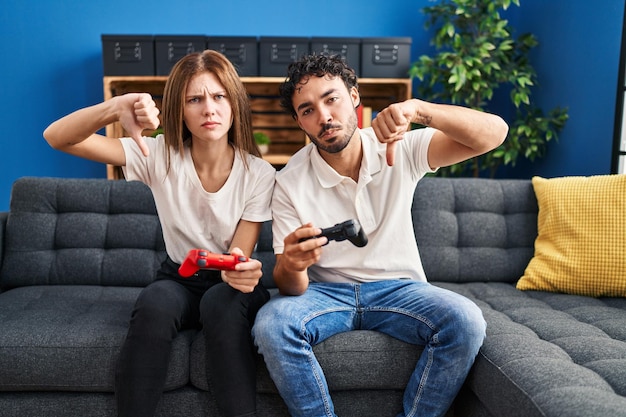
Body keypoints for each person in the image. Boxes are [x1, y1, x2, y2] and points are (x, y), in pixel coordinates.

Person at [251, 54, 508, 417]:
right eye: (307, 110)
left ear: (354, 96)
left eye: (331, 98)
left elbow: (495, 134)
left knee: (466, 320)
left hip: (400, 288)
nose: (324, 116)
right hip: (324, 293)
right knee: (272, 323)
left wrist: (417, 109)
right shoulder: (288, 181)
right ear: (299, 122)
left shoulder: (399, 147)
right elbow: (290, 287)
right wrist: (292, 265)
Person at [44, 50, 276, 417]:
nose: (209, 109)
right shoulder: (158, 155)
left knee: (220, 303)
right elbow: (56, 137)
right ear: (180, 111)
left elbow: (238, 254)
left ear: (234, 103)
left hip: (231, 283)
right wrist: (116, 106)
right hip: (179, 277)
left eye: (218, 97)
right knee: (156, 302)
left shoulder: (260, 174)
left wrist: (243, 271)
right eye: (194, 100)